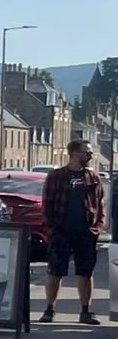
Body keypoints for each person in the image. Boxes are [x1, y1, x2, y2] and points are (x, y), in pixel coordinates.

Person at [40, 139, 104, 327]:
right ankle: (49, 310)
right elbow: (47, 204)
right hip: (61, 231)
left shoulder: (93, 177)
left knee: (85, 272)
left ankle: (85, 312)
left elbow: (100, 204)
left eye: (90, 153)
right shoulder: (56, 176)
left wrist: (97, 227)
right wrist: (51, 229)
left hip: (86, 232)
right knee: (55, 271)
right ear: (75, 153)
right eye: (87, 152)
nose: (90, 156)